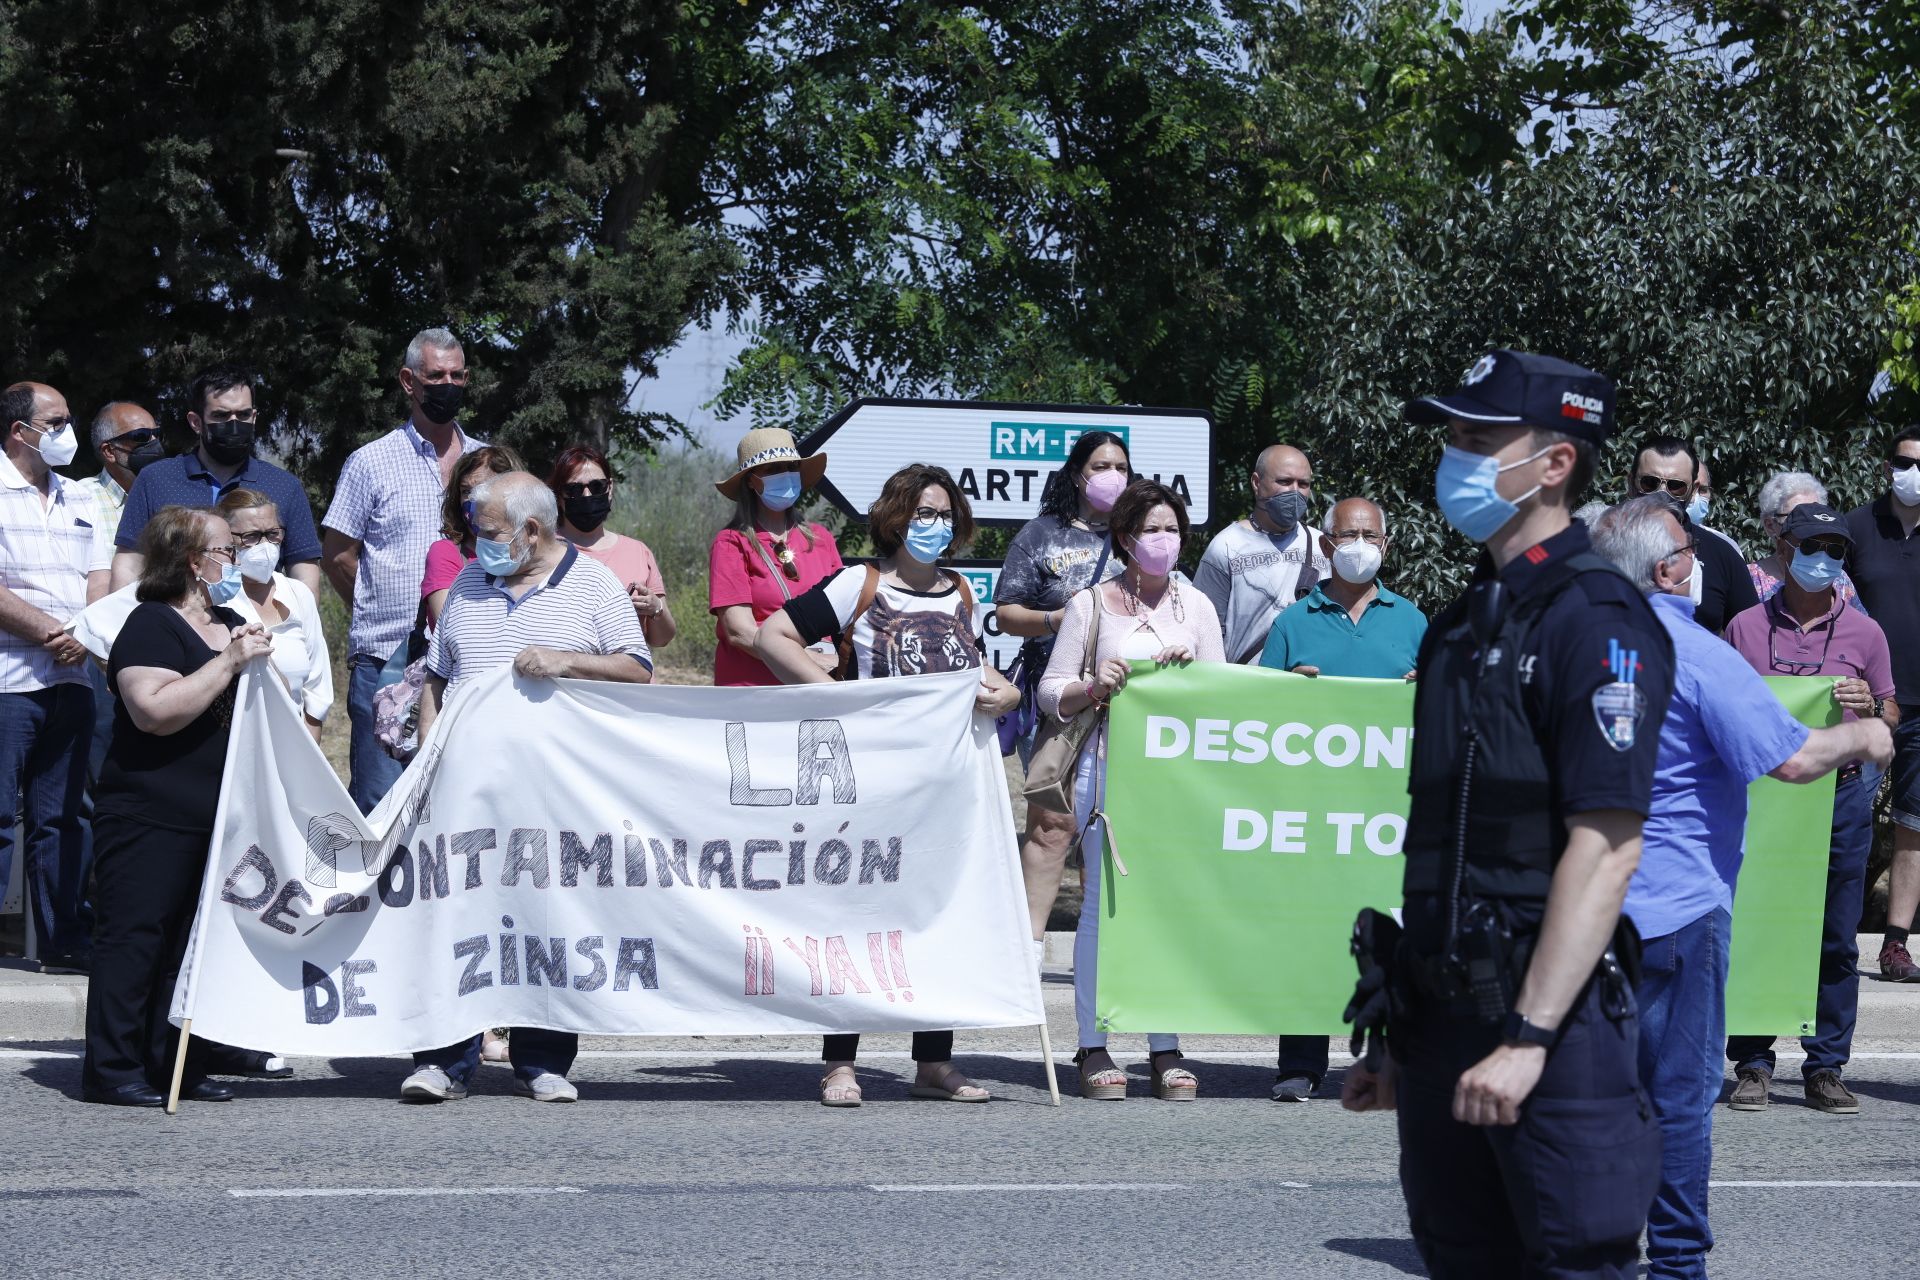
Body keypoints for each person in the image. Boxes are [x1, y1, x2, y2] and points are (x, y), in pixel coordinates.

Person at [1341, 349, 1674, 1277]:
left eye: (1480, 437)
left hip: (1550, 1029)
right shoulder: (1461, 623)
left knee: (1573, 1260)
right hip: (1445, 1020)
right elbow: (1451, 845)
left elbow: (1606, 846)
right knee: (1459, 1257)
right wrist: (1406, 1038)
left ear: (1556, 463)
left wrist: (1527, 1040)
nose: (1456, 455)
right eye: (1453, 434)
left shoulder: (1596, 618)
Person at [1592, 494, 1891, 1279]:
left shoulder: (1561, 645)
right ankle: (1677, 1263)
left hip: (1578, 914)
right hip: (1677, 911)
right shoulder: (1696, 653)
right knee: (1681, 1099)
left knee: (1587, 1097)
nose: (1702, 565)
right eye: (1691, 553)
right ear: (1667, 569)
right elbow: (1790, 758)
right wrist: (1867, 734)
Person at [756, 463, 1020, 1106]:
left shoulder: (962, 592)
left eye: (942, 513)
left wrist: (1005, 693)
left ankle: (934, 1061)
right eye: (920, 512)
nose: (932, 525)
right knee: (857, 914)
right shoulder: (860, 584)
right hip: (871, 783)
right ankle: (840, 1062)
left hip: (945, 785)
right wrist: (838, 703)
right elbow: (773, 635)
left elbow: (977, 671)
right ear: (895, 517)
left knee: (939, 915)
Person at [401, 473, 653, 1104]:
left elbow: (637, 669)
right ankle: (444, 1060)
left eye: (488, 533)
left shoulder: (592, 585)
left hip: (554, 794)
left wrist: (566, 661)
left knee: (548, 919)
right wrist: (430, 755)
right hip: (466, 789)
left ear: (532, 531)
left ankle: (541, 1060)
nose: (475, 544)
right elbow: (438, 677)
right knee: (456, 916)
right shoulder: (466, 582)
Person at [81, 506, 273, 1105]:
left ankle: (173, 1065)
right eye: (225, 549)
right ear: (194, 561)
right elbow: (154, 711)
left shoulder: (232, 620)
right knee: (136, 939)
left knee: (185, 948)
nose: (235, 560)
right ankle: (114, 1069)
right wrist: (230, 661)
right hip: (148, 811)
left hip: (213, 816)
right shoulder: (150, 624)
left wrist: (253, 654)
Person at [1038, 479, 1222, 1102]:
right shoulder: (1090, 605)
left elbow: (1224, 698)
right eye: (1151, 530)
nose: (1164, 540)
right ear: (1124, 539)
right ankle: (1092, 1045)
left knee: (1163, 907)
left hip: (1174, 780)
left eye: (1172, 530)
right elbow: (1050, 689)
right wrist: (1095, 684)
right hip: (1104, 767)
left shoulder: (1195, 607)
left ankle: (1164, 1047)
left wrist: (1190, 677)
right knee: (1097, 909)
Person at [1722, 504, 1901, 1114]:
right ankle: (1752, 1062)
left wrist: (1871, 706)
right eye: (1813, 544)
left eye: (1836, 548)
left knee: (1835, 932)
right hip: (1763, 795)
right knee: (1758, 925)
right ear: (1786, 545)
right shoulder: (1744, 626)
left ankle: (1827, 1066)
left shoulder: (1865, 632)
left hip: (1842, 794)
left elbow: (1892, 716)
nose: (1823, 557)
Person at [1258, 496, 1427, 1102]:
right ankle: (1300, 1063)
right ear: (1325, 546)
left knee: (1392, 938)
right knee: (1310, 933)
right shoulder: (1293, 623)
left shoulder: (1411, 621)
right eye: (1348, 534)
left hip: (1389, 815)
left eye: (1371, 534)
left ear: (1386, 543)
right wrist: (1286, 693)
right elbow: (1255, 718)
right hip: (1313, 813)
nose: (1360, 544)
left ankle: (1392, 1062)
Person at [320, 329, 485, 812]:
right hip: (387, 662)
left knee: (461, 803)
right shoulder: (370, 462)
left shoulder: (487, 463)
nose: (448, 384)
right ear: (409, 381)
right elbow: (337, 555)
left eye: (457, 375)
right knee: (382, 802)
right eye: (436, 376)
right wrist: (378, 613)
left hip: (471, 663)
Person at [993, 429, 1129, 944]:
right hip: (1059, 705)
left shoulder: (1139, 536)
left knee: (1106, 827)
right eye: (1100, 467)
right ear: (1077, 475)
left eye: (1121, 467)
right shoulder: (1041, 534)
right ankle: (1027, 947)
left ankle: (1100, 946)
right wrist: (1061, 620)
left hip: (1126, 706)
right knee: (1053, 827)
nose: (1112, 476)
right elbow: (1005, 614)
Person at [0, 382, 111, 974]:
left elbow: (100, 579)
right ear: (21, 431)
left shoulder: (81, 498)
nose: (69, 431)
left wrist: (83, 634)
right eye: (58, 421)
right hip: (7, 681)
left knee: (63, 819)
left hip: (72, 680)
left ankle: (63, 939)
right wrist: (50, 632)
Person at [109, 363, 322, 596]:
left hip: (262, 625)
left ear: (254, 417)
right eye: (221, 415)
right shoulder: (156, 480)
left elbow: (304, 569)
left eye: (243, 415)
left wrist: (303, 625)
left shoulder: (284, 486)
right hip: (176, 622)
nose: (234, 424)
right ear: (196, 422)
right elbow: (129, 564)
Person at [1848, 424, 1920, 983]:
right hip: (1864, 705)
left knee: (1914, 825)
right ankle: (1830, 936)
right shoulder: (1853, 529)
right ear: (1887, 465)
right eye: (1904, 461)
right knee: (1844, 819)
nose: (1912, 473)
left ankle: (1895, 943)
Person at [708, 428, 843, 686]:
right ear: (751, 480)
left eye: (791, 467)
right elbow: (739, 631)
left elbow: (846, 615)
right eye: (773, 470)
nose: (786, 476)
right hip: (757, 690)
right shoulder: (731, 543)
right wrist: (806, 662)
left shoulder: (821, 539)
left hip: (819, 687)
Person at [214, 489, 332, 741]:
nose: (265, 546)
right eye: (252, 537)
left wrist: (308, 745)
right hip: (232, 741)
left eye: (272, 534)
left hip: (293, 739)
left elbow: (317, 682)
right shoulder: (215, 596)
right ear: (227, 538)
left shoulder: (297, 593)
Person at [1193, 444, 1328, 663]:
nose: (1295, 492)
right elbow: (1204, 629)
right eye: (1284, 482)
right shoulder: (1226, 546)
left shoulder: (1322, 544)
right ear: (1257, 483)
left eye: (1303, 484)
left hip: (1308, 686)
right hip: (1247, 687)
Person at [549, 444, 675, 651]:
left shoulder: (638, 552)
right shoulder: (544, 550)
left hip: (628, 680)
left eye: (597, 486)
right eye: (574, 489)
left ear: (610, 488)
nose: (587, 495)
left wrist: (656, 609)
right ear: (559, 496)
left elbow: (662, 639)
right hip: (567, 681)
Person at [1625, 434, 1757, 633]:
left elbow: (1750, 638)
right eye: (1650, 483)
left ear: (1693, 489)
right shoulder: (1598, 543)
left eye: (1675, 486)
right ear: (1631, 483)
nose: (1662, 494)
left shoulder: (1721, 554)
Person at [421, 445, 526, 625]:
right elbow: (451, 629)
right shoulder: (446, 553)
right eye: (466, 491)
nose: (473, 499)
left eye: (484, 488)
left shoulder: (535, 550)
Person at [1746, 470, 1866, 613]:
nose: (1809, 525)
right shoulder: (1749, 580)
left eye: (1816, 515)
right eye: (1795, 517)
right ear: (1770, 525)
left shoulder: (1838, 578)